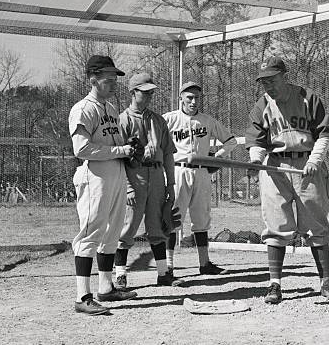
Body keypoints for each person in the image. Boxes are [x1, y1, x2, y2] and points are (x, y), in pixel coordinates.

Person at [245, 56, 329, 304]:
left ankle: (325, 281)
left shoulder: (308, 97)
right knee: (276, 224)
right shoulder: (263, 103)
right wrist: (256, 160)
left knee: (316, 224)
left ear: (285, 76)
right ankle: (274, 284)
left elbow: (325, 133)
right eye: (264, 82)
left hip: (307, 163)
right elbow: (256, 139)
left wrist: (315, 161)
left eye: (272, 80)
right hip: (275, 165)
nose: (268, 86)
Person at [68, 55, 138, 316]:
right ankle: (82, 296)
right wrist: (121, 148)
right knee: (90, 232)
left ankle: (106, 288)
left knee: (112, 231)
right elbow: (82, 148)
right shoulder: (83, 109)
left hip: (115, 175)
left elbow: (115, 143)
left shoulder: (109, 109)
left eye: (114, 79)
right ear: (93, 79)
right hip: (94, 177)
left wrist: (129, 146)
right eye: (108, 79)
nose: (113, 83)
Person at [162, 81, 237, 276]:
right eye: (189, 97)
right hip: (178, 171)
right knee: (173, 218)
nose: (194, 101)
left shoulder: (207, 120)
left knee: (202, 218)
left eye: (197, 98)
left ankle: (205, 264)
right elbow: (155, 143)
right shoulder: (169, 119)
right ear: (181, 98)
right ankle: (168, 266)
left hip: (202, 172)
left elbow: (231, 141)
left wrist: (217, 156)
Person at [113, 72, 179, 289]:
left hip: (157, 174)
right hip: (135, 174)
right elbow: (118, 159)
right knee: (128, 226)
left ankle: (163, 273)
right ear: (133, 92)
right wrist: (128, 186)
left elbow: (168, 154)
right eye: (145, 92)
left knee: (158, 224)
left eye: (151, 92)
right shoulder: (122, 120)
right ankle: (120, 274)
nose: (150, 95)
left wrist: (170, 184)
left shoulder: (158, 120)